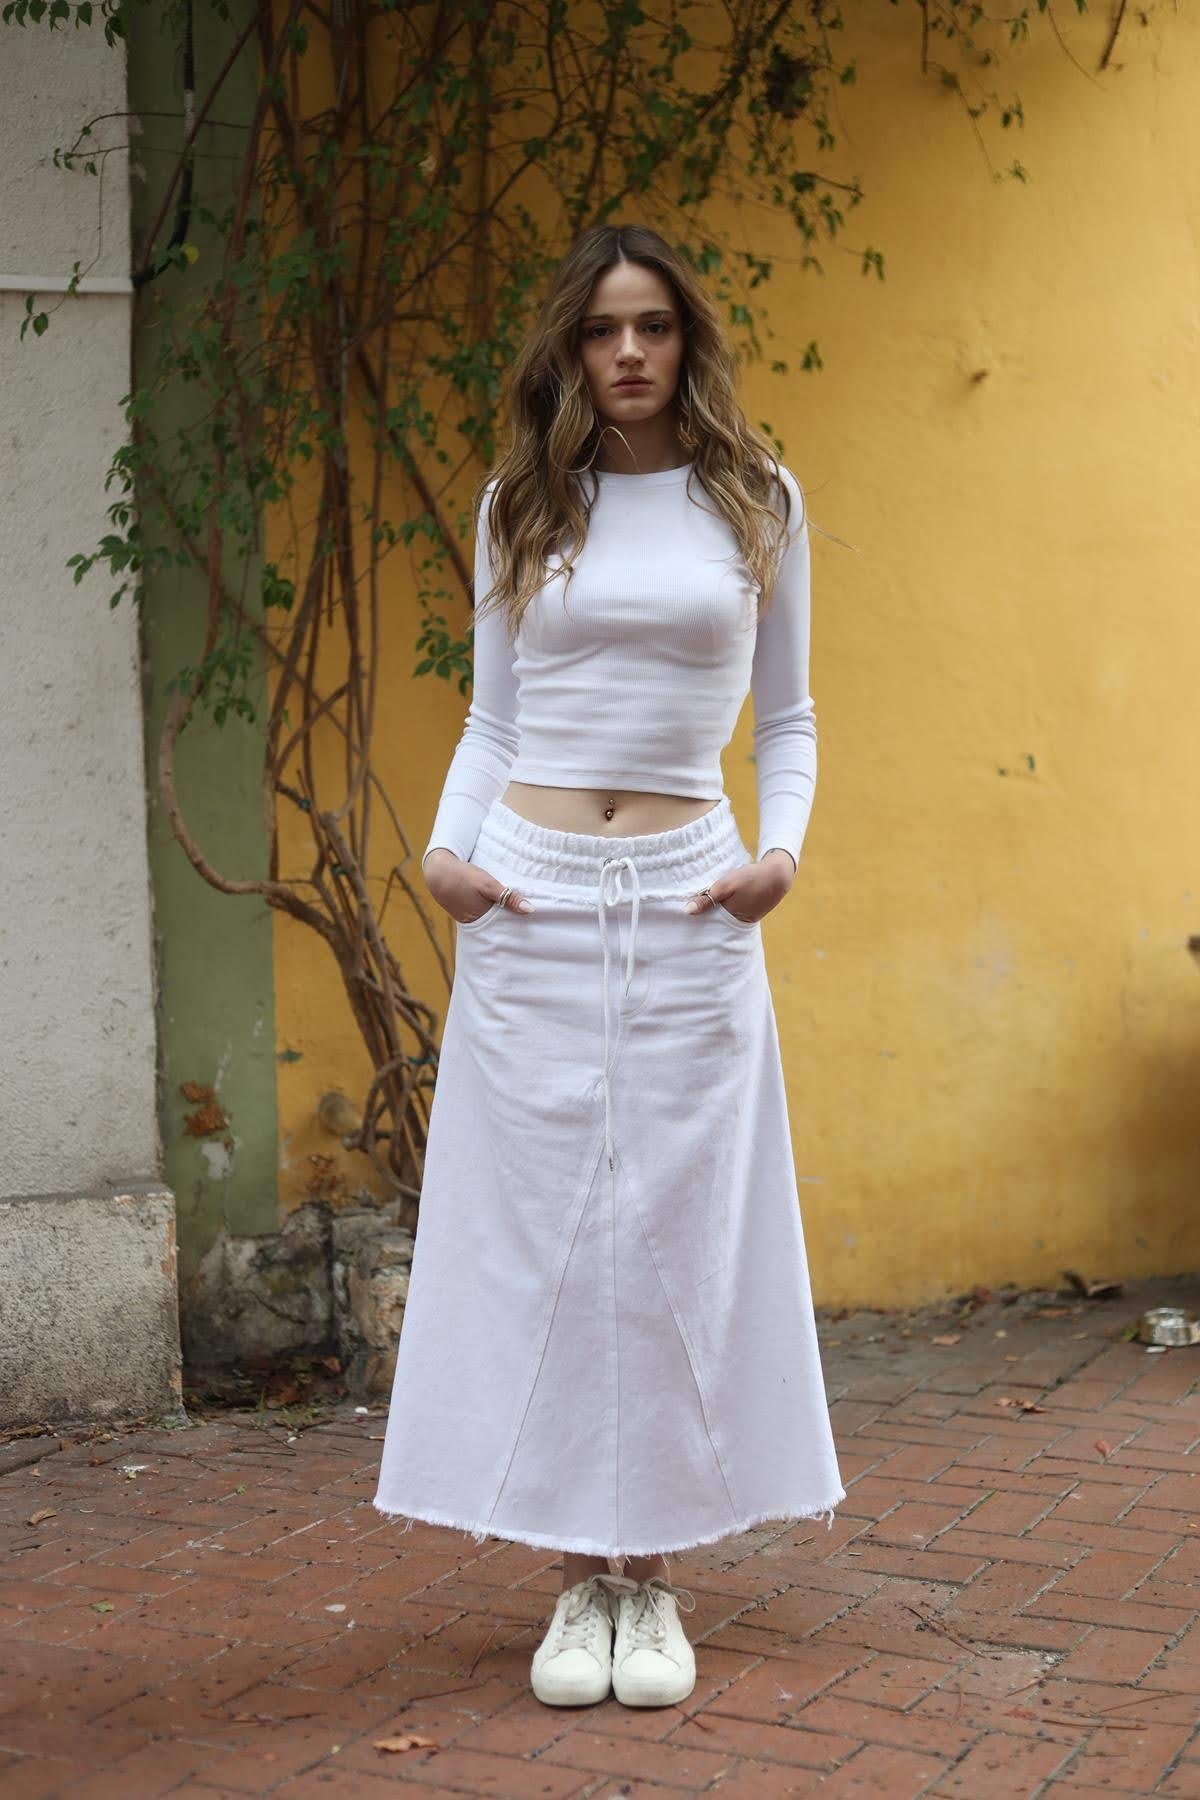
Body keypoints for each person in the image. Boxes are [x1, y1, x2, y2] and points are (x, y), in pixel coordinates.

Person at [373, 221, 845, 1711]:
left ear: (688, 339)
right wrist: (446, 855)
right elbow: (493, 719)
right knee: (548, 1239)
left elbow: (788, 717)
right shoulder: (523, 503)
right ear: (570, 350)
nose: (628, 352)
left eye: (652, 326)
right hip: (533, 896)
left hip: (695, 897)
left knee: (675, 1233)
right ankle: (579, 1577)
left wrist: (783, 853)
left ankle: (656, 1581)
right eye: (600, 330)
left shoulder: (759, 499)